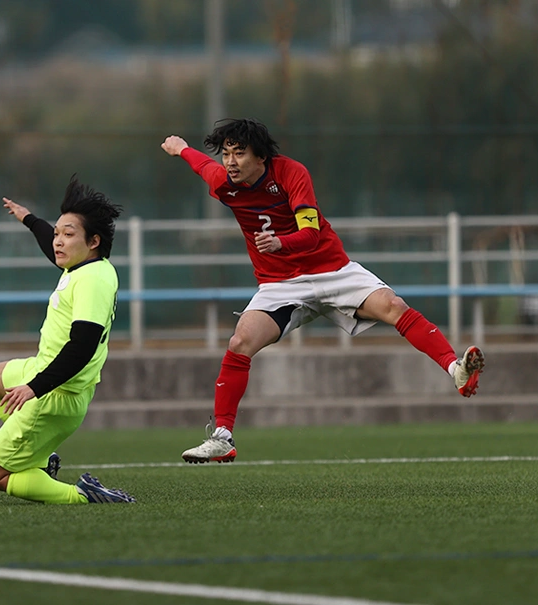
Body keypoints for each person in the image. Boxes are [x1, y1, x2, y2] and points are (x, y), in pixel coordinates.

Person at [161, 118, 485, 464]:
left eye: (239, 153)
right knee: (240, 342)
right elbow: (203, 166)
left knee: (393, 305)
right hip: (280, 284)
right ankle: (222, 438)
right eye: (226, 154)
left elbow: (311, 233)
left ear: (261, 157)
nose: (230, 162)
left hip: (332, 271)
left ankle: (456, 370)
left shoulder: (291, 173)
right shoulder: (225, 183)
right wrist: (182, 149)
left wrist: (280, 242)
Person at [0, 176, 136, 504]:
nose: (58, 241)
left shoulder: (91, 281)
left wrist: (34, 388)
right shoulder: (87, 265)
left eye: (68, 234)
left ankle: (84, 496)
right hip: (44, 370)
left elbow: (82, 347)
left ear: (93, 241)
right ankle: (42, 457)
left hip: (56, 393)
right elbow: (51, 244)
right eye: (58, 233)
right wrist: (29, 219)